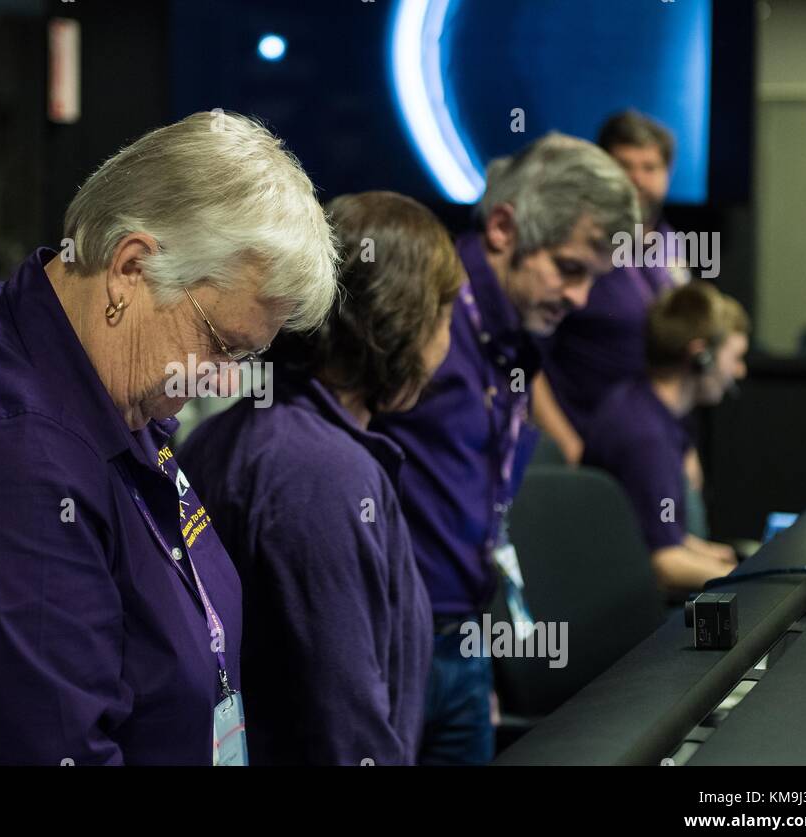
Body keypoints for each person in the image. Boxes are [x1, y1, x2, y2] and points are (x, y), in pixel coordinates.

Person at [0, 111, 338, 765]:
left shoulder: (101, 375)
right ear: (130, 268)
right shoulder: (10, 458)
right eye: (221, 346)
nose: (221, 381)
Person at [372, 132, 638, 765]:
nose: (581, 298)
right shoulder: (416, 319)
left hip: (466, 642)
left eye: (593, 278)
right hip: (388, 651)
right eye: (570, 269)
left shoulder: (516, 337)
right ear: (502, 227)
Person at [180, 191, 463, 765]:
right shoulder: (324, 473)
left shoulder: (231, 433)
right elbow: (345, 720)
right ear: (401, 321)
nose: (449, 341)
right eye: (446, 312)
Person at [534, 110, 691, 463]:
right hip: (586, 447)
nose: (636, 179)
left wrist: (685, 445)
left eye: (649, 167)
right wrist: (567, 449)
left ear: (667, 175)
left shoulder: (674, 246)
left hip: (654, 447)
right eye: (624, 165)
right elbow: (529, 365)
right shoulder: (575, 248)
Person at [583, 283, 748, 591]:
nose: (739, 371)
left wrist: (708, 553)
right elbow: (664, 566)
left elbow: (650, 527)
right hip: (640, 610)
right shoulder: (647, 437)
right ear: (702, 356)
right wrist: (754, 584)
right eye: (735, 357)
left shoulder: (640, 403)